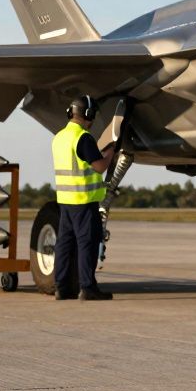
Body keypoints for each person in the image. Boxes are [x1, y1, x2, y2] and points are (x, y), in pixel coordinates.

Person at [52, 95, 116, 301]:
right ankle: (88, 288)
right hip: (83, 201)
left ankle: (61, 287)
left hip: (65, 200)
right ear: (88, 114)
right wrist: (110, 153)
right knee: (87, 244)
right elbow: (99, 166)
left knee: (64, 244)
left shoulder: (59, 137)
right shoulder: (82, 137)